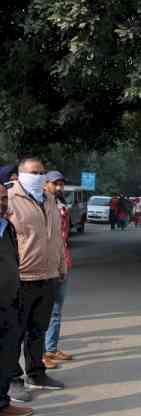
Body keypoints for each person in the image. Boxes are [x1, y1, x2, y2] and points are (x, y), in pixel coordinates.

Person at [6, 158, 66, 400]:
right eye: (34, 172)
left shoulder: (49, 198)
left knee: (38, 329)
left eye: (42, 172)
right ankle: (12, 379)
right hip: (21, 277)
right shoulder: (9, 199)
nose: (39, 176)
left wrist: (61, 265)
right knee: (14, 332)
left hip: (49, 275)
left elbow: (57, 237)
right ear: (20, 174)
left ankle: (36, 373)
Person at [0, 185, 34, 416]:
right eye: (0, 198)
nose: (3, 202)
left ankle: (2, 403)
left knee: (8, 353)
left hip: (9, 302)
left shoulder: (7, 226)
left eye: (4, 198)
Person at [42, 171, 74, 369]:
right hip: (45, 266)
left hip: (63, 263)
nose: (59, 187)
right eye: (56, 184)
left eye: (61, 184)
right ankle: (41, 355)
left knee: (56, 311)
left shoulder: (60, 205)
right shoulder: (40, 205)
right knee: (43, 312)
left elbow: (63, 237)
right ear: (45, 184)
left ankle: (51, 349)